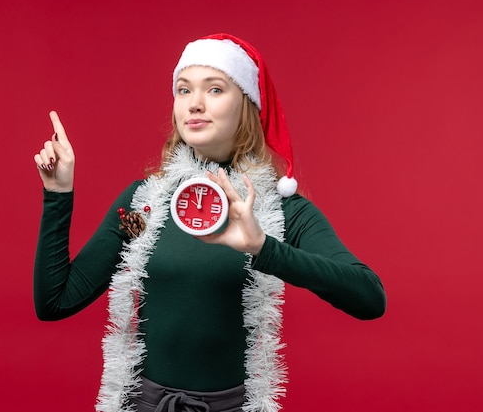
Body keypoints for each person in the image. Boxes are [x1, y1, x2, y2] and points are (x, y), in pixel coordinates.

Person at [33, 33, 386, 412]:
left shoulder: (283, 211)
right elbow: (55, 302)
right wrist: (58, 193)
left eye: (215, 89)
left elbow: (369, 298)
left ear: (248, 106)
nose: (195, 104)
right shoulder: (144, 200)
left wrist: (263, 248)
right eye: (183, 90)